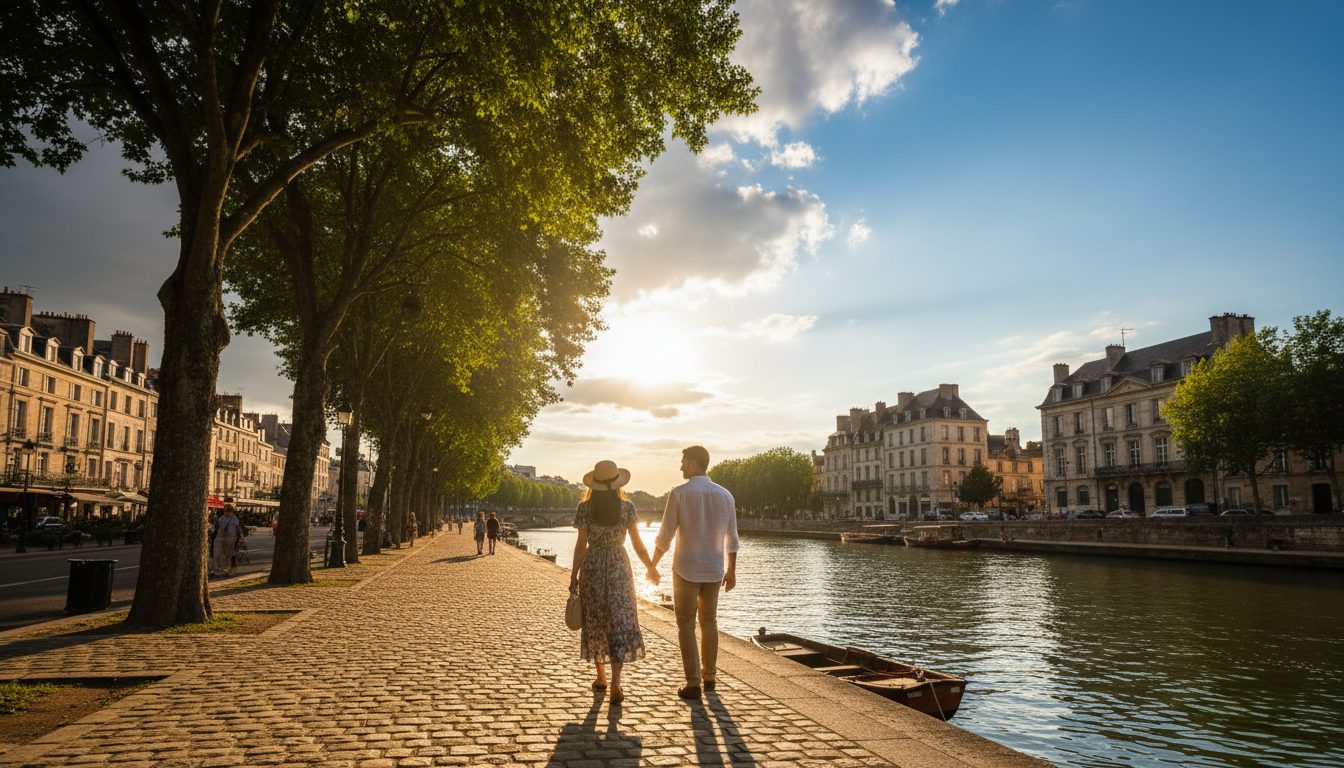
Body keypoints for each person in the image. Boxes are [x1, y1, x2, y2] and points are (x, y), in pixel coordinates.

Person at [649, 445, 739, 699]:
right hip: (713, 569)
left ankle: (693, 683)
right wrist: (731, 571)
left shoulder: (678, 494)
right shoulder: (726, 496)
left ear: (693, 464)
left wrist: (653, 564)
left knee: (686, 624)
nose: (680, 467)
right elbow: (731, 538)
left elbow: (665, 536)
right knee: (709, 622)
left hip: (686, 568)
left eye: (683, 462)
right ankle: (710, 677)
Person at [570, 460, 654, 705]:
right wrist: (650, 567)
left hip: (593, 566)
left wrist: (574, 575)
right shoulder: (627, 507)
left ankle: (601, 678)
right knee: (620, 620)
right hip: (619, 564)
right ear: (617, 484)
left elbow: (580, 546)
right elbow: (638, 543)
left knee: (596, 621)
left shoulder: (585, 508)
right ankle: (617, 683)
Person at [214, 506, 242, 577]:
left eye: (229, 512)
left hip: (231, 537)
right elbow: (218, 527)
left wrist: (240, 538)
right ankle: (218, 568)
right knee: (217, 554)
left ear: (232, 512)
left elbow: (238, 528)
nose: (227, 513)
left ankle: (227, 569)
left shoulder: (235, 519)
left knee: (228, 554)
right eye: (226, 511)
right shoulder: (221, 519)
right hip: (220, 537)